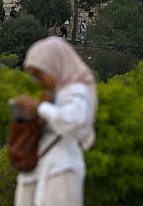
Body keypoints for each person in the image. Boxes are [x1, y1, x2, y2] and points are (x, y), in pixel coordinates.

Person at [13, 37, 97, 206]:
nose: (38, 81)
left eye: (39, 74)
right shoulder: (54, 94)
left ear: (54, 66)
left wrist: (38, 108)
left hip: (62, 170)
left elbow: (74, 120)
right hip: (41, 167)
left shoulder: (77, 92)